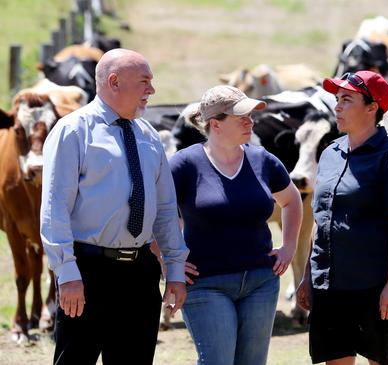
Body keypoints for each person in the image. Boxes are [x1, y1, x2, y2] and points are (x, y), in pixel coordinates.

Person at [40, 48, 189, 364]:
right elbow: (55, 209)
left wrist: (174, 268)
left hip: (140, 273)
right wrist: (67, 273)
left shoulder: (148, 134)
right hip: (88, 271)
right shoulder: (72, 131)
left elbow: (165, 208)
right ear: (114, 81)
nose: (152, 90)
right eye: (145, 81)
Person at [168, 85, 303, 365]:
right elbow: (156, 217)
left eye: (251, 115)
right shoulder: (183, 165)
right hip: (205, 284)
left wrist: (289, 247)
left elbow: (292, 201)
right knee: (217, 361)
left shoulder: (263, 159)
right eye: (241, 117)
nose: (250, 122)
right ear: (215, 124)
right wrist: (169, 261)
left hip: (261, 282)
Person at [296, 71, 388, 365]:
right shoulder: (329, 154)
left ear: (372, 107)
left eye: (346, 99)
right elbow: (320, 218)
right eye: (337, 99)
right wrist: (306, 278)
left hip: (374, 285)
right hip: (328, 285)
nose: (337, 106)